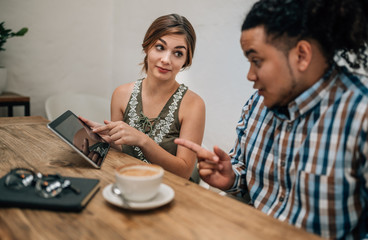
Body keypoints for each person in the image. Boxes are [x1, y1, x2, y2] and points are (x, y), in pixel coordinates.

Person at [175, 0, 368, 239]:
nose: (250, 75)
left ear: (301, 55)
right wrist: (230, 177)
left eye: (256, 61)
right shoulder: (257, 104)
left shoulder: (360, 116)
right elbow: (244, 174)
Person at [81, 14, 205, 179]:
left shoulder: (194, 105)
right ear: (147, 47)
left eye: (178, 53)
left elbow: (184, 172)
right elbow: (121, 154)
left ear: (186, 61)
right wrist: (105, 142)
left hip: (173, 192)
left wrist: (143, 140)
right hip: (129, 183)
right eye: (160, 47)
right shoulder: (121, 94)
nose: (166, 59)